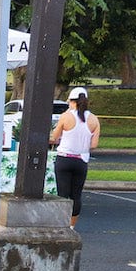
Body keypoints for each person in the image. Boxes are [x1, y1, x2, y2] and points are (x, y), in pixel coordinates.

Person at [51, 87, 101, 228]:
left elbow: (54, 137)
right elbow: (94, 144)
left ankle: (60, 224)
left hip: (64, 158)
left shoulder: (66, 117)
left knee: (62, 194)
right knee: (76, 195)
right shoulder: (94, 119)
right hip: (81, 160)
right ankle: (72, 226)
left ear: (72, 102)